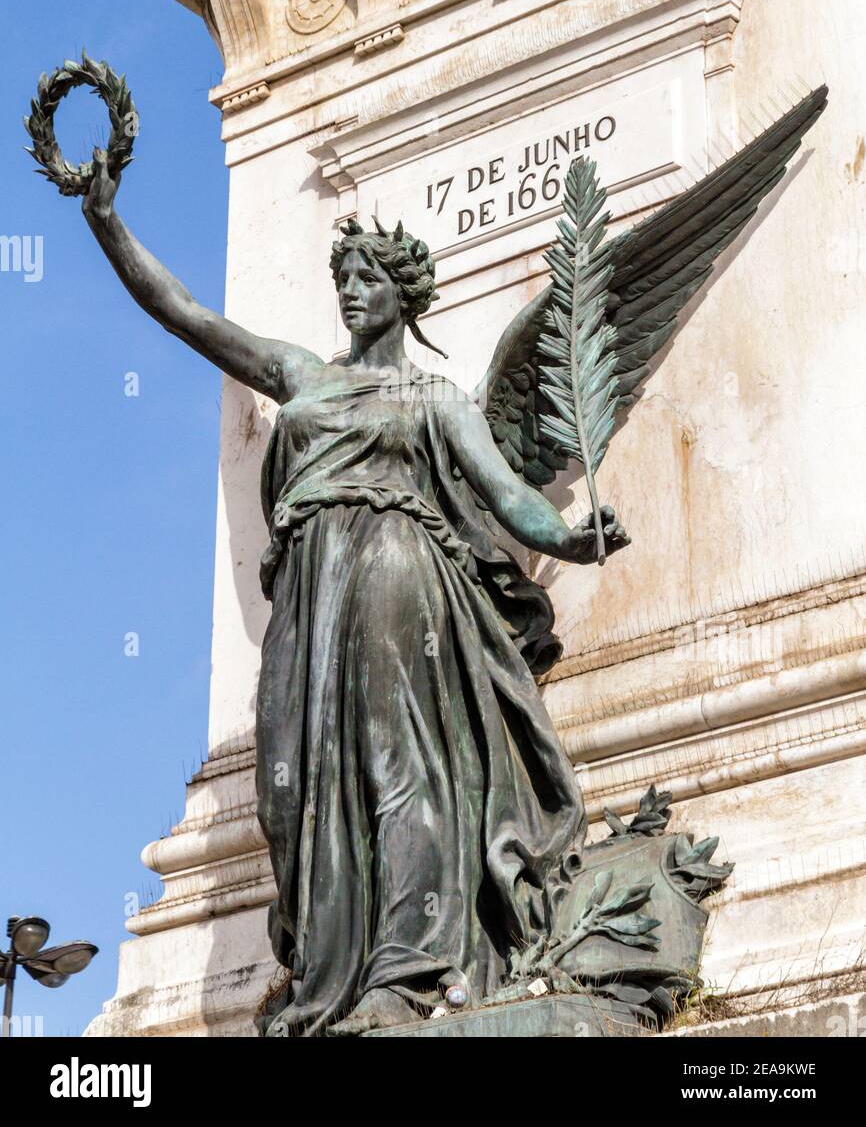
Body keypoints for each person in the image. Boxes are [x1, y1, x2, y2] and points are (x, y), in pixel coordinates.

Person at [82, 153, 629, 1036]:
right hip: (307, 588)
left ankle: (402, 971)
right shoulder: (305, 376)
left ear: (404, 294)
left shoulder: (432, 397)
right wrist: (108, 225)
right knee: (287, 782)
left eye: (367, 276)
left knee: (395, 764)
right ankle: (327, 965)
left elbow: (510, 495)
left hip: (395, 575)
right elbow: (191, 318)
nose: (350, 291)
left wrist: (569, 536)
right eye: (342, 277)